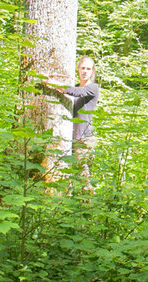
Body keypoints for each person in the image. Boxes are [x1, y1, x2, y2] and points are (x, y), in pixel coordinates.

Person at [53, 56, 100, 191]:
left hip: (85, 138)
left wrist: (51, 82)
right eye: (83, 68)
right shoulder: (75, 87)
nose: (85, 71)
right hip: (73, 137)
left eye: (88, 69)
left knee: (82, 174)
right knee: (75, 172)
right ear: (78, 69)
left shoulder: (92, 88)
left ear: (92, 71)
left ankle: (88, 202)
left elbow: (75, 92)